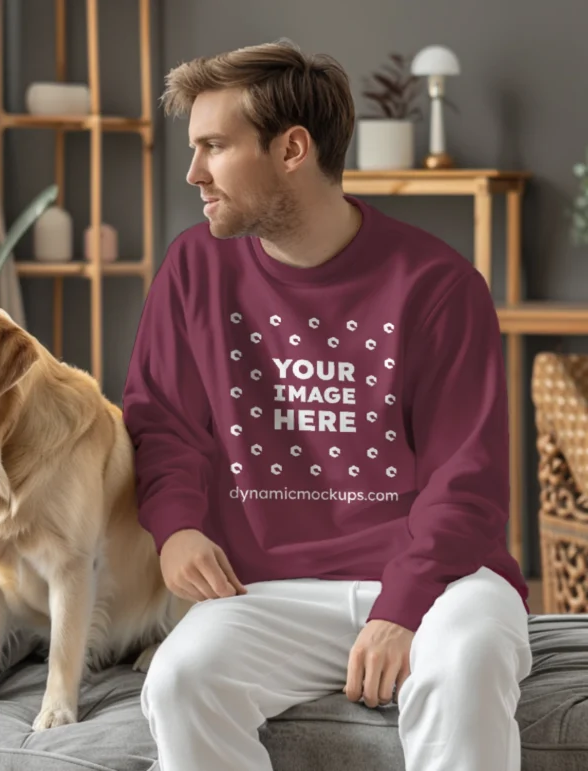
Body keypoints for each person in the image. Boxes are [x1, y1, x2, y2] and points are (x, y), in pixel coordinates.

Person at [121, 38, 532, 771]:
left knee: (464, 665)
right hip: (270, 588)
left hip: (445, 581)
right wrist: (176, 527)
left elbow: (464, 481)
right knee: (181, 679)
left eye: (214, 146)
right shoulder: (192, 268)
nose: (193, 173)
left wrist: (400, 608)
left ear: (292, 149)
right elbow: (163, 422)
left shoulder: (436, 284)